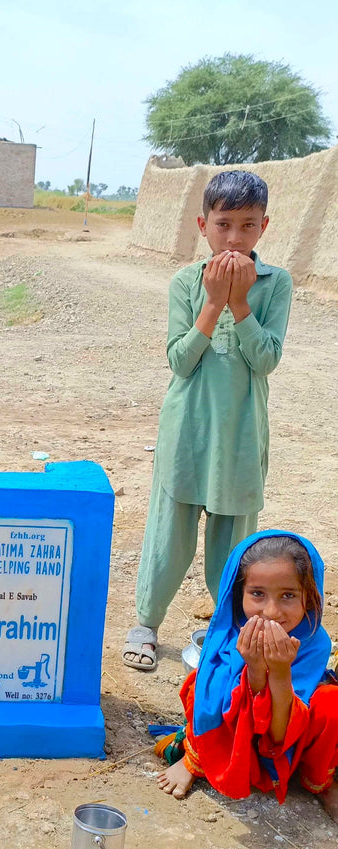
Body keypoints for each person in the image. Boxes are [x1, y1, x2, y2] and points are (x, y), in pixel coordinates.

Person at [124, 170, 292, 671]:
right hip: (187, 433)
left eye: (247, 225)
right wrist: (213, 302)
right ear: (204, 225)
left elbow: (266, 360)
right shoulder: (185, 281)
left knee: (234, 544)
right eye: (224, 224)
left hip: (240, 437)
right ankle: (146, 624)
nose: (234, 238)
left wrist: (240, 303)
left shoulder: (275, 284)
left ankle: (224, 630)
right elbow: (179, 360)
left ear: (264, 226)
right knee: (168, 535)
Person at [155, 531, 338, 820]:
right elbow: (218, 707)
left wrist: (278, 673)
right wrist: (253, 669)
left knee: (332, 704)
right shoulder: (227, 635)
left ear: (310, 596)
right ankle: (197, 758)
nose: (271, 611)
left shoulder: (313, 642)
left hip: (286, 738)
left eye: (288, 595)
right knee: (203, 685)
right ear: (238, 592)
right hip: (237, 736)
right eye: (257, 594)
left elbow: (280, 733)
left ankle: (319, 781)